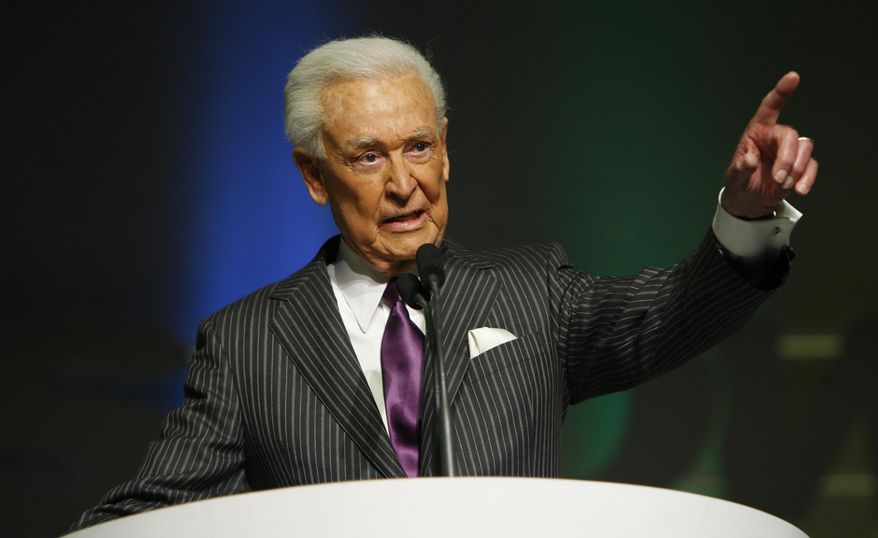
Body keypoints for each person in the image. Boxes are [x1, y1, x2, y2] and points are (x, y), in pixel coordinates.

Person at [71, 36, 817, 530]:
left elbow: (671, 313)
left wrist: (747, 217)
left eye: (419, 147)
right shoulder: (246, 342)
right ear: (312, 175)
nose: (404, 185)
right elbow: (148, 514)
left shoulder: (531, 291)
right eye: (368, 157)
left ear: (446, 152)